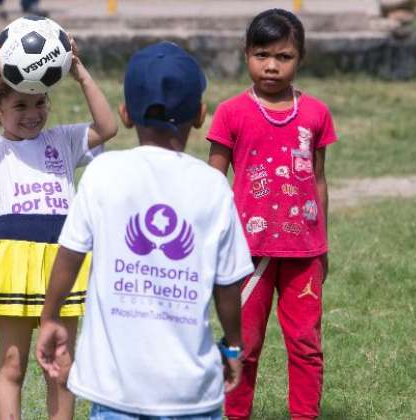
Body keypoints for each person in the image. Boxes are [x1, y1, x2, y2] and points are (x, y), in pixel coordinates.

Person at [36, 41, 255, 419]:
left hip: (116, 392)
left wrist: (51, 317)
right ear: (201, 115)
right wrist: (233, 346)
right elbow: (227, 285)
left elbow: (69, 255)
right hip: (192, 394)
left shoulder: (103, 173)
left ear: (125, 114)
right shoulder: (213, 185)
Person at [0, 37, 117, 420]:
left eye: (40, 102)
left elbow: (108, 127)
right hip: (13, 261)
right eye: (20, 105)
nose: (33, 113)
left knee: (61, 366)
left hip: (63, 259)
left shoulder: (61, 139)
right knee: (13, 364)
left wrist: (79, 73)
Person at [206, 9, 337, 420]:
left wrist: (323, 244)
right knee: (243, 344)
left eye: (284, 56)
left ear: (300, 59)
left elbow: (318, 178)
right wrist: (215, 243)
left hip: (303, 254)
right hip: (248, 254)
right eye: (262, 54)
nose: (272, 66)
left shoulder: (316, 113)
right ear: (246, 54)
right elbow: (213, 184)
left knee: (305, 343)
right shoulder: (230, 113)